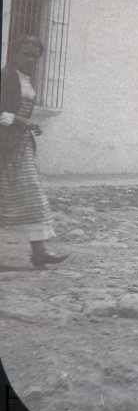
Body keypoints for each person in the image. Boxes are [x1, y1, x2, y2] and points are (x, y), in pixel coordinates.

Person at [0, 35, 68, 268]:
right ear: (15, 54)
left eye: (35, 56)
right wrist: (21, 121)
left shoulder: (26, 80)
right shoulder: (5, 76)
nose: (30, 59)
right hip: (3, 144)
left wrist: (27, 125)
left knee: (32, 195)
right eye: (26, 54)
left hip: (19, 144)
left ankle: (39, 251)